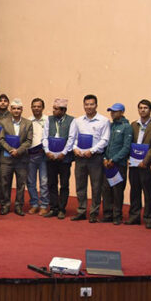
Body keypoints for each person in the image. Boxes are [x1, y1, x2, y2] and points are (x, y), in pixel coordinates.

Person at [67, 94, 111, 223]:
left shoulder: (104, 121)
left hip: (95, 158)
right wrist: (74, 148)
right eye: (86, 104)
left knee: (96, 186)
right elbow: (72, 138)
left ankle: (94, 213)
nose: (89, 107)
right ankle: (81, 211)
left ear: (96, 105)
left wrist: (91, 151)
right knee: (80, 185)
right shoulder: (78, 121)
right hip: (80, 157)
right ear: (84, 105)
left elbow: (105, 139)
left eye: (91, 104)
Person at [126, 99, 151, 228]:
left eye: (145, 108)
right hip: (133, 164)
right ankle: (134, 216)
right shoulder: (133, 125)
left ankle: (148, 218)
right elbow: (129, 143)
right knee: (134, 191)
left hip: (146, 165)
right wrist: (128, 158)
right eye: (140, 108)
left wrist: (145, 161)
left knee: (148, 192)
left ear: (150, 110)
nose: (142, 110)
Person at [0, 99, 33, 216]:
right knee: (5, 183)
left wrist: (18, 151)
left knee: (21, 184)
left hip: (21, 159)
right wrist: (10, 150)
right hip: (6, 158)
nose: (16, 110)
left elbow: (29, 141)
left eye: (18, 108)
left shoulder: (28, 123)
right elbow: (1, 139)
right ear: (11, 109)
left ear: (22, 110)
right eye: (14, 108)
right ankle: (5, 205)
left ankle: (18, 206)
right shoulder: (3, 122)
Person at [43, 99, 75, 219]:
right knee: (51, 183)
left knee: (64, 184)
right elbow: (44, 137)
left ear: (63, 110)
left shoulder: (72, 121)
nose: (54, 111)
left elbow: (71, 138)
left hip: (64, 159)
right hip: (50, 157)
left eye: (56, 109)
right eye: (54, 108)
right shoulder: (49, 119)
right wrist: (47, 151)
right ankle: (53, 208)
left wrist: (64, 153)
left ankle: (62, 209)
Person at [102, 103, 132, 225]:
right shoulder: (110, 126)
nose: (112, 113)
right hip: (107, 163)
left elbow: (126, 147)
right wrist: (105, 158)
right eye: (111, 111)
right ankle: (107, 214)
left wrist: (114, 159)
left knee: (117, 191)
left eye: (115, 111)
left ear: (122, 112)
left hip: (118, 164)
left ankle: (117, 215)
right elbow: (106, 143)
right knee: (106, 189)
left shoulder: (127, 127)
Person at [27, 98, 50, 215]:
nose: (36, 108)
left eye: (39, 106)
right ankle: (34, 204)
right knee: (30, 181)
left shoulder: (48, 120)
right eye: (34, 106)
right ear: (31, 107)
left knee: (44, 181)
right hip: (30, 155)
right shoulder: (28, 121)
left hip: (44, 155)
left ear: (43, 108)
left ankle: (44, 205)